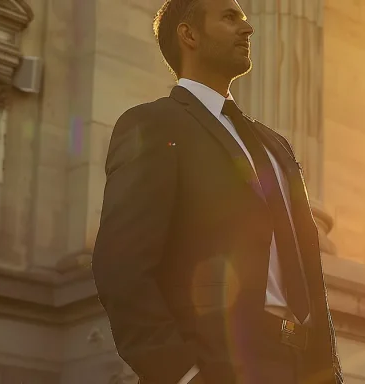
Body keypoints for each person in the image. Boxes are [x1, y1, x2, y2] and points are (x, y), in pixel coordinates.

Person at [90, 0, 343, 382]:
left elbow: (310, 273)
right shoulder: (154, 125)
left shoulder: (276, 145)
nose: (248, 28)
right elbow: (121, 266)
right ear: (188, 34)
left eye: (244, 18)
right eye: (230, 17)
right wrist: (181, 373)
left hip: (297, 364)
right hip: (219, 364)